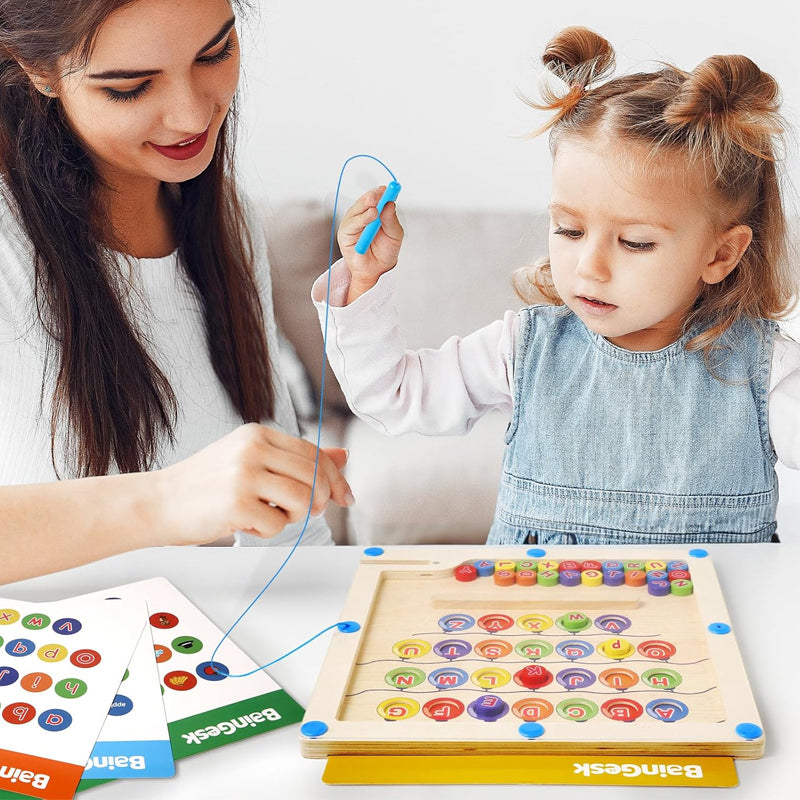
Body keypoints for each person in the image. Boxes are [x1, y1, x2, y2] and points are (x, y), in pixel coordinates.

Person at [312, 26, 800, 546]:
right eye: (569, 230)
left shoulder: (764, 372)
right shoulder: (522, 349)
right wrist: (364, 280)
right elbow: (393, 396)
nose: (589, 267)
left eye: (634, 242)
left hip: (708, 621)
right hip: (540, 619)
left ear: (721, 253)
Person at [0, 0, 354, 585]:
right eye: (131, 88)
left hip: (216, 655)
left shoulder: (230, 221)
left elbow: (292, 523)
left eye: (215, 54)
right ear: (37, 69)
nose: (192, 116)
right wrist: (165, 502)